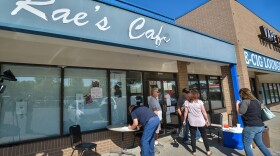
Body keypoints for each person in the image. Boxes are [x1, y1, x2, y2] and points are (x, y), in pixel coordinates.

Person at [236, 88, 272, 156]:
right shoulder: (256, 101)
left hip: (251, 127)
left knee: (246, 145)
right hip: (260, 126)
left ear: (242, 94)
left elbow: (240, 112)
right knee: (260, 144)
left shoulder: (245, 102)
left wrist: (237, 104)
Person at [183, 89, 211, 156]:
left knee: (193, 137)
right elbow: (204, 112)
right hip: (201, 121)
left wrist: (184, 120)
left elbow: (185, 112)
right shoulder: (200, 102)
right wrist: (207, 119)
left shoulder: (187, 102)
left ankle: (194, 152)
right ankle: (208, 151)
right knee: (204, 136)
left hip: (192, 122)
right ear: (196, 95)